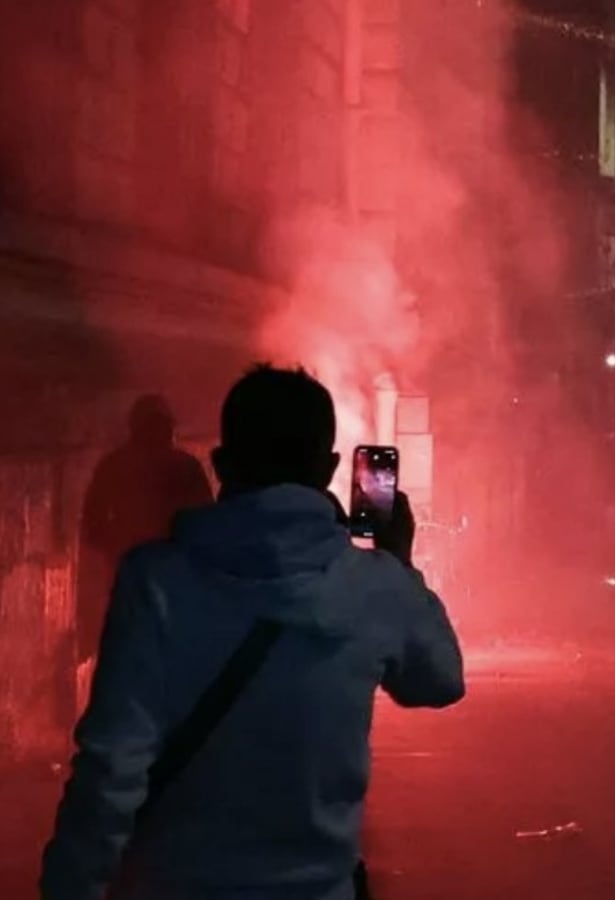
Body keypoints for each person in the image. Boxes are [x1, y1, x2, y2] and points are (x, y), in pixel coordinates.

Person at [43, 365, 466, 900]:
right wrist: (398, 562)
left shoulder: (155, 581)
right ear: (330, 468)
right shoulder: (373, 586)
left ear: (220, 464)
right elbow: (440, 680)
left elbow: (111, 768)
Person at [77, 396, 214, 670]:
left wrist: (114, 547)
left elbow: (92, 524)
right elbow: (207, 523)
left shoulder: (114, 465)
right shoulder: (185, 467)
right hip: (175, 582)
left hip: (131, 577)